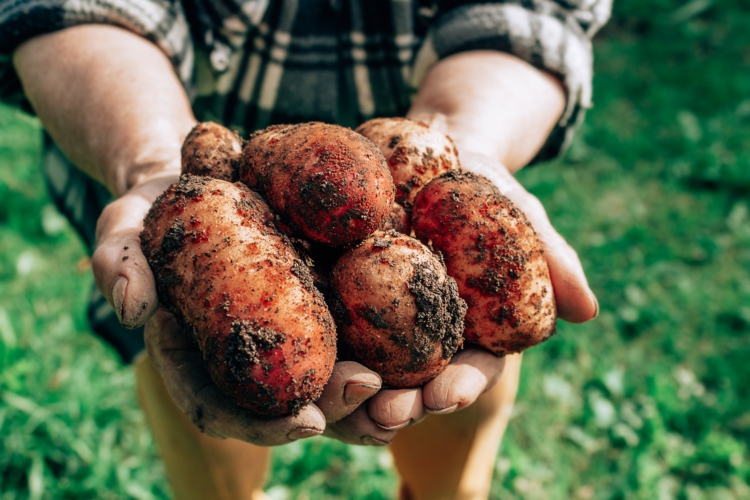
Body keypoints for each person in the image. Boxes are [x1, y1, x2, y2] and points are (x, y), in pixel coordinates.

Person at [1, 1, 610, 498]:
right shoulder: (201, 196)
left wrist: (463, 132)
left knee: (455, 426)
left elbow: (537, 15)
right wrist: (149, 158)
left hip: (417, 127)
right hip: (148, 115)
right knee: (193, 399)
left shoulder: (415, 204)